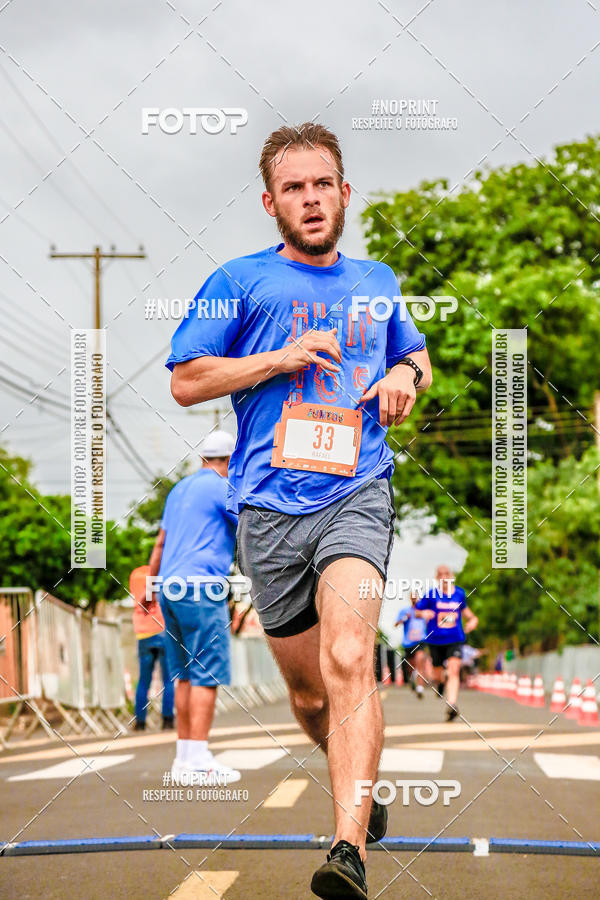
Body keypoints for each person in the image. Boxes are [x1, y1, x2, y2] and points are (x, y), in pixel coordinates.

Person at [167, 122, 432, 899]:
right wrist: (275, 359)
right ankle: (359, 778)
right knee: (312, 694)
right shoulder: (238, 281)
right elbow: (186, 379)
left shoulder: (378, 280)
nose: (310, 200)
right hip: (268, 510)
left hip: (356, 489)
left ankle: (346, 845)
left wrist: (406, 380)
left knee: (352, 656)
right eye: (294, 188)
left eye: (323, 185)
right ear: (270, 202)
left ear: (344, 194)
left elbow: (411, 354)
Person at [147, 430, 241, 785]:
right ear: (231, 460)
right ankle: (200, 757)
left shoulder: (178, 490)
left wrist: (149, 586)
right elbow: (248, 526)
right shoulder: (222, 487)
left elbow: (160, 544)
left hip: (170, 587)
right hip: (202, 587)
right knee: (207, 673)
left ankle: (184, 758)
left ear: (204, 457)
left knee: (183, 675)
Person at [415, 565, 478, 722]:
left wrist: (473, 620)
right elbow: (415, 611)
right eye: (440, 574)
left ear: (452, 576)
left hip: (455, 639)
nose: (444, 577)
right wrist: (423, 613)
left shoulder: (459, 594)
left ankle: (451, 705)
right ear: (437, 577)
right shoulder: (430, 595)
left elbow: (468, 613)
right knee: (438, 674)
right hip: (435, 640)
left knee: (454, 670)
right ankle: (441, 683)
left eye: (447, 574)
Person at [130, 564, 174, 730]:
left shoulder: (135, 575)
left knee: (143, 681)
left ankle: (140, 722)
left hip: (143, 634)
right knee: (168, 680)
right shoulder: (164, 574)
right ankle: (168, 720)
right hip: (164, 631)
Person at [395, 592, 430, 699]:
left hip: (421, 641)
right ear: (410, 598)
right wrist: (405, 618)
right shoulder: (405, 611)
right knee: (411, 667)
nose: (414, 598)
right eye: (412, 596)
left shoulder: (423, 611)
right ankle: (412, 680)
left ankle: (420, 688)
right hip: (408, 643)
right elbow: (396, 624)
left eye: (416, 596)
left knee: (420, 662)